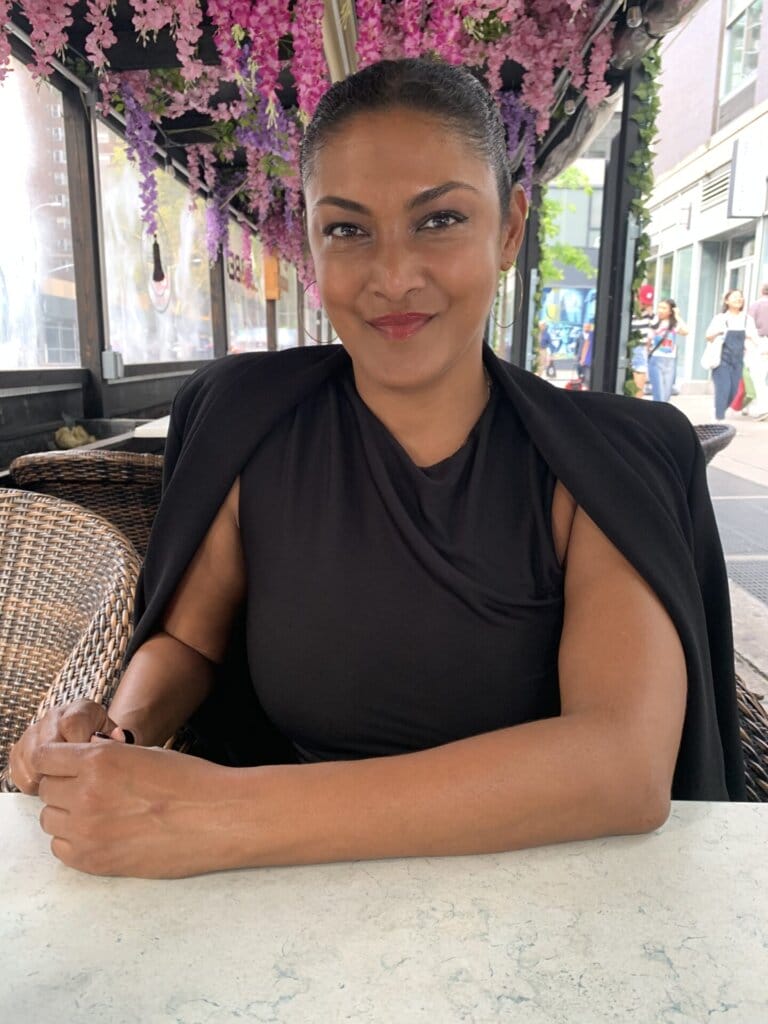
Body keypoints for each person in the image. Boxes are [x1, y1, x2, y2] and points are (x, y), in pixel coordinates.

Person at [8, 58, 745, 879]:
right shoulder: (246, 417)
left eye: (439, 221)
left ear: (509, 228)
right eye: (349, 230)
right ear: (311, 243)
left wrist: (220, 816)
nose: (393, 278)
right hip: (289, 897)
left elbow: (621, 766)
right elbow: (188, 641)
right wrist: (120, 732)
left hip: (543, 893)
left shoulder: (609, 460)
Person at [704, 289, 759, 421]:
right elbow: (708, 336)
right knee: (723, 390)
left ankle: (718, 411)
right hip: (721, 360)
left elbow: (755, 340)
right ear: (726, 301)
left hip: (738, 361)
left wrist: (750, 338)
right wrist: (719, 332)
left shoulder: (747, 320)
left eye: (740, 297)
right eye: (734, 297)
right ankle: (719, 421)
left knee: (733, 393)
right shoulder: (720, 318)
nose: (738, 299)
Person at [646, 298, 688, 403]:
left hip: (670, 360)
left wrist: (678, 316)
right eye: (659, 307)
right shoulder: (655, 321)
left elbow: (686, 331)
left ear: (670, 311)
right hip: (656, 359)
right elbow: (648, 341)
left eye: (664, 308)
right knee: (658, 393)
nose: (660, 310)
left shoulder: (674, 324)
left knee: (666, 394)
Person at [747, 283, 768, 419]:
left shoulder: (756, 305)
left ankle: (764, 407)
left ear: (762, 290)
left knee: (758, 377)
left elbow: (749, 328)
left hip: (760, 343)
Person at [630, 289, 654, 398]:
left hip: (641, 347)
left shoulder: (649, 314)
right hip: (633, 346)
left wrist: (651, 313)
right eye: (643, 302)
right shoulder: (631, 312)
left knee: (640, 374)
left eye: (647, 303)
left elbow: (656, 326)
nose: (644, 305)